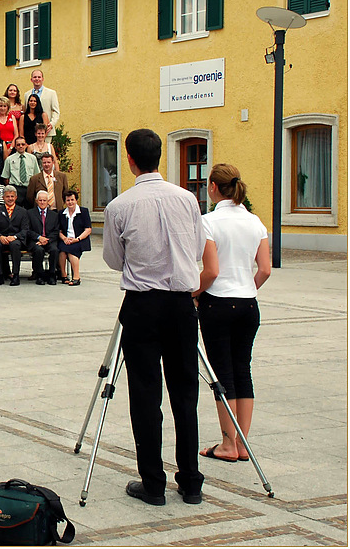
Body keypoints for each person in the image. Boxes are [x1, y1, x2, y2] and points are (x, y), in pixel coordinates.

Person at [102, 128, 205, 507]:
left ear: (129, 160)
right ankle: (191, 481)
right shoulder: (188, 199)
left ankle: (154, 483)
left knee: (145, 395)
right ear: (160, 156)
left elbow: (114, 260)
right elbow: (195, 249)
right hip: (181, 304)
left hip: (143, 304)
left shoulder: (120, 206)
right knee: (185, 394)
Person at [194, 164, 271, 463]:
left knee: (221, 374)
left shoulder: (209, 221)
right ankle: (242, 443)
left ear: (213, 187)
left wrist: (193, 292)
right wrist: (246, 288)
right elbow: (264, 269)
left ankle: (227, 443)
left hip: (218, 303)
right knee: (243, 370)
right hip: (248, 303)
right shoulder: (255, 221)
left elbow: (211, 271)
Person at [0, 185, 29, 286]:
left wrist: (15, 237)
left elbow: (25, 229)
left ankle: (15, 275)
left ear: (16, 197)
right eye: (7, 196)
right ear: (3, 198)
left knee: (15, 245)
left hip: (16, 238)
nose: (10, 199)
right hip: (1, 238)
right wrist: (0, 236)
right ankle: (0, 275)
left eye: (12, 196)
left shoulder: (23, 211)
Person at [26, 190, 60, 285]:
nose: (42, 202)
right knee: (39, 250)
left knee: (54, 250)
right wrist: (39, 237)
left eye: (44, 200)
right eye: (40, 200)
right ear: (36, 201)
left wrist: (46, 240)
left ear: (48, 201)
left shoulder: (54, 215)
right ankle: (39, 275)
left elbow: (56, 231)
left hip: (49, 240)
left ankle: (52, 274)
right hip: (35, 240)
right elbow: (27, 230)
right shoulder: (29, 213)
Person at [58, 190, 92, 285]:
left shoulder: (83, 211)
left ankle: (76, 277)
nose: (70, 202)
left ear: (76, 200)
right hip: (66, 239)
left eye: (72, 200)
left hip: (80, 239)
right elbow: (59, 231)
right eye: (68, 200)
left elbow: (88, 230)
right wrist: (64, 238)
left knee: (71, 251)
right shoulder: (61, 213)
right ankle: (64, 276)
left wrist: (77, 239)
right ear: (65, 202)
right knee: (61, 251)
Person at [0, 136, 40, 208]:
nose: (20, 146)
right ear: (15, 146)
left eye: (22, 144)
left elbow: (37, 175)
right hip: (16, 188)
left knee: (29, 210)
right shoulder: (9, 159)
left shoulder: (32, 158)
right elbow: (5, 177)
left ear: (26, 145)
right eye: (18, 145)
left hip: (29, 188)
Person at [27, 69, 60, 137]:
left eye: (39, 77)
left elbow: (56, 111)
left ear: (43, 79)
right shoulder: (27, 94)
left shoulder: (51, 93)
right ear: (31, 79)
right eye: (35, 77)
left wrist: (51, 124)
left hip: (47, 131)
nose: (37, 79)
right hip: (30, 132)